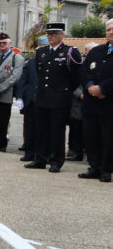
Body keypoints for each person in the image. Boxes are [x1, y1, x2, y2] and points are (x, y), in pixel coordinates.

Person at [25, 22, 82, 173]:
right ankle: (40, 158)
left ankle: (56, 160)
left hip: (60, 97)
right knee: (41, 130)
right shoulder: (41, 52)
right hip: (43, 96)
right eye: (48, 34)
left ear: (62, 35)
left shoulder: (70, 52)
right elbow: (41, 74)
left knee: (57, 131)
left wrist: (66, 90)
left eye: (54, 34)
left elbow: (76, 76)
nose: (50, 36)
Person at [79, 19, 113, 182]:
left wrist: (103, 88)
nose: (111, 32)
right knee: (91, 135)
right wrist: (91, 85)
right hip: (92, 102)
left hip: (109, 102)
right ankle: (94, 166)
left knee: (108, 137)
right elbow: (84, 70)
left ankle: (106, 169)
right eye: (108, 29)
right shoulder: (96, 51)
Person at [0, 32, 23, 151]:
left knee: (2, 120)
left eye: (4, 43)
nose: (2, 45)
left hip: (4, 93)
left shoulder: (17, 58)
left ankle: (1, 144)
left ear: (10, 44)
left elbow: (15, 76)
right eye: (0, 43)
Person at [15, 41, 41, 161]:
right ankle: (29, 153)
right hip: (30, 100)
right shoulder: (30, 62)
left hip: (44, 100)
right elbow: (23, 80)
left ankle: (41, 154)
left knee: (42, 130)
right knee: (30, 129)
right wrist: (19, 96)